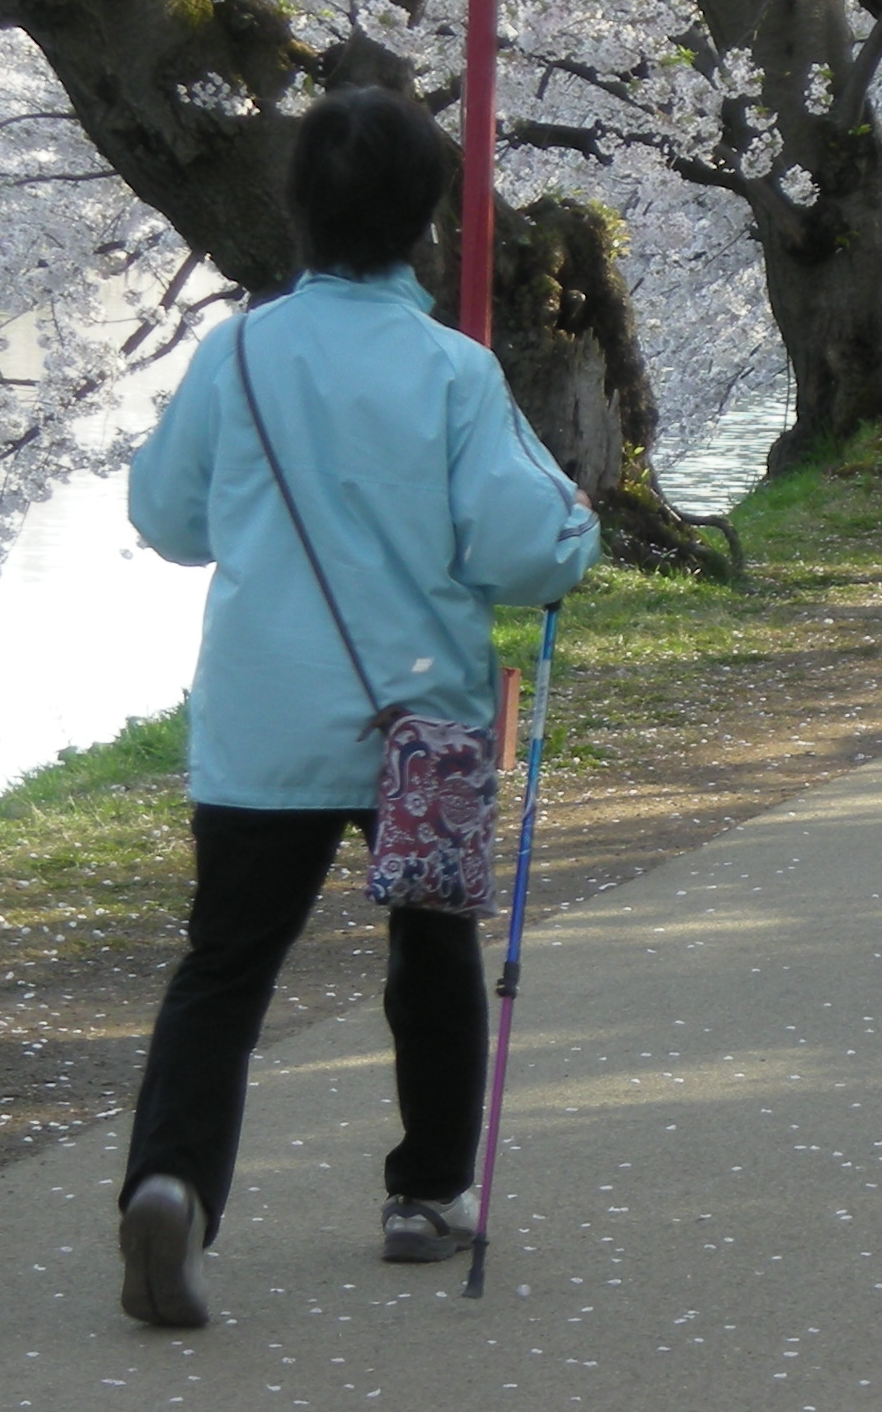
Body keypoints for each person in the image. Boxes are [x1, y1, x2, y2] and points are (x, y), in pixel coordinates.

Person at [113, 89, 602, 1328]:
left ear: (299, 211)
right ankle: (427, 1196)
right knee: (430, 957)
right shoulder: (453, 368)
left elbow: (166, 520)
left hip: (259, 723)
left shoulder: (234, 353)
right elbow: (515, 549)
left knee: (223, 970)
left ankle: (171, 1184)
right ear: (425, 219)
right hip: (416, 721)